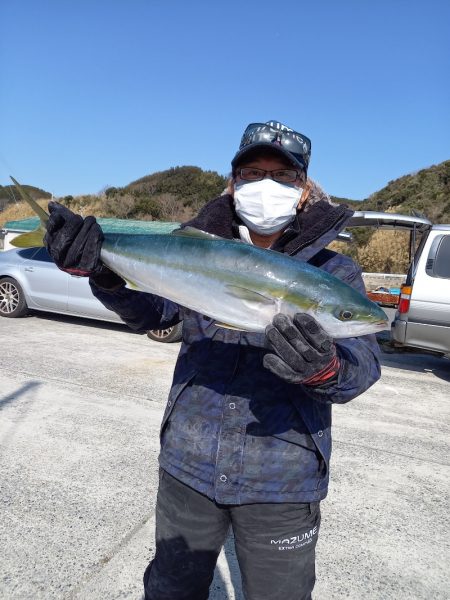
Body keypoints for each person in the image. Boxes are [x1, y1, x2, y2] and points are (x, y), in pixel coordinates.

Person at [43, 120, 381, 600]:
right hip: (189, 463)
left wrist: (326, 369)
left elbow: (363, 365)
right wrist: (105, 273)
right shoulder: (194, 243)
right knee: (170, 592)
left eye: (283, 177)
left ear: (304, 190)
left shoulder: (336, 271)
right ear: (232, 183)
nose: (266, 185)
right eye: (251, 173)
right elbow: (158, 314)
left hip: (282, 478)